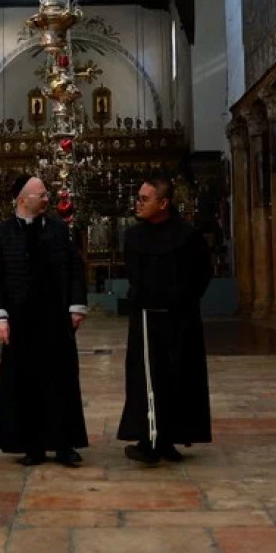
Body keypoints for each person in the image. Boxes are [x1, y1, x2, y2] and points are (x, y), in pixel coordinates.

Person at [0, 174, 89, 466]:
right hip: (20, 322)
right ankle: (32, 446)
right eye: (41, 194)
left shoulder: (58, 231)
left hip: (55, 320)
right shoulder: (2, 234)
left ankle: (65, 444)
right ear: (22, 199)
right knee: (24, 385)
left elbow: (75, 268)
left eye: (46, 194)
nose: (47, 199)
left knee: (61, 382)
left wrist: (76, 307)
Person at [118, 176, 213, 464]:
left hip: (180, 320)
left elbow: (201, 275)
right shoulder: (134, 236)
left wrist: (181, 301)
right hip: (145, 318)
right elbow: (133, 273)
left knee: (179, 377)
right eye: (138, 197)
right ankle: (148, 438)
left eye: (145, 199)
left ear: (163, 203)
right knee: (145, 379)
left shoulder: (188, 235)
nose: (138, 202)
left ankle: (170, 438)